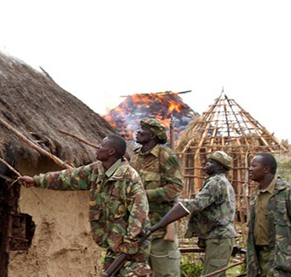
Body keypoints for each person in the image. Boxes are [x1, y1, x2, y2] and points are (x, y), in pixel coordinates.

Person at [18, 135, 151, 276]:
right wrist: (36, 180)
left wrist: (130, 242)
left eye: (102, 146)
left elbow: (139, 213)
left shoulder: (129, 177)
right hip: (114, 245)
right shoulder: (96, 171)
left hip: (133, 248)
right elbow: (67, 178)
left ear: (111, 152)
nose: (97, 147)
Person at [147, 151, 237, 277]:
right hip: (217, 236)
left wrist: (178, 203)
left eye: (211, 162)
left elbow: (198, 204)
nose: (206, 164)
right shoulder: (219, 181)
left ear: (220, 167)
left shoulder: (216, 182)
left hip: (219, 236)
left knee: (212, 275)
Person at [129, 118, 184, 277]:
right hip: (138, 230)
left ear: (152, 135)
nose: (138, 132)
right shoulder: (135, 158)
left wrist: (146, 195)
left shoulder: (165, 155)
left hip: (160, 229)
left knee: (166, 273)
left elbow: (175, 187)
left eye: (143, 129)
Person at [246, 152, 291, 276]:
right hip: (258, 257)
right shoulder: (256, 194)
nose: (250, 169)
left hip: (280, 257)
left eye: (254, 166)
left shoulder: (285, 192)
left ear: (266, 169)